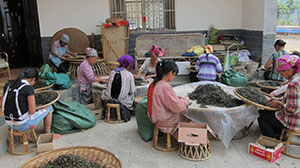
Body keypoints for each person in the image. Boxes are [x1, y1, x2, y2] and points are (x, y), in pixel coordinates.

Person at [258, 55, 300, 139]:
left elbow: (293, 108)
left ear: (289, 70)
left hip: (295, 121)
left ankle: (271, 140)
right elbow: (294, 99)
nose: (282, 75)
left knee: (262, 115)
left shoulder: (293, 84)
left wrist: (280, 104)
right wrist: (280, 99)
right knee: (270, 114)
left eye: (282, 73)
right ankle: (279, 134)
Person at [0, 69, 53, 133]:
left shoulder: (8, 85)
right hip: (23, 125)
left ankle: (29, 135)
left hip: (9, 123)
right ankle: (48, 133)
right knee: (49, 108)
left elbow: (1, 104)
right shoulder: (28, 88)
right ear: (33, 79)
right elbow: (32, 111)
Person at [147, 60, 189, 134]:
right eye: (174, 74)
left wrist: (175, 98)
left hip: (154, 116)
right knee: (189, 116)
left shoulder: (154, 84)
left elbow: (162, 99)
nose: (174, 77)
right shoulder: (165, 87)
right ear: (170, 73)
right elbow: (177, 107)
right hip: (164, 120)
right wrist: (185, 100)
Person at [101, 55, 136, 122]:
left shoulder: (112, 72)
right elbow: (132, 90)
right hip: (122, 101)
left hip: (109, 98)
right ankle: (129, 112)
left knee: (103, 91)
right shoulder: (129, 75)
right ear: (129, 65)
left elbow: (108, 85)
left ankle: (108, 110)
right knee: (133, 94)